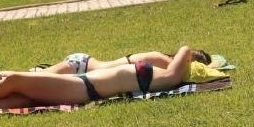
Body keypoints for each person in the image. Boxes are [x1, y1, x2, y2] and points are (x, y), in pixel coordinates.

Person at [0, 46, 198, 114]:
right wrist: (188, 54)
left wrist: (190, 53)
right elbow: (180, 55)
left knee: (17, 79)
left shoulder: (168, 79)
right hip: (84, 81)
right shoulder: (163, 72)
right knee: (20, 98)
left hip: (84, 87)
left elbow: (179, 62)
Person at [14, 49, 212, 76]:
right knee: (28, 78)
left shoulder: (161, 58)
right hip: (81, 67)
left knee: (31, 77)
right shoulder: (163, 62)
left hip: (83, 65)